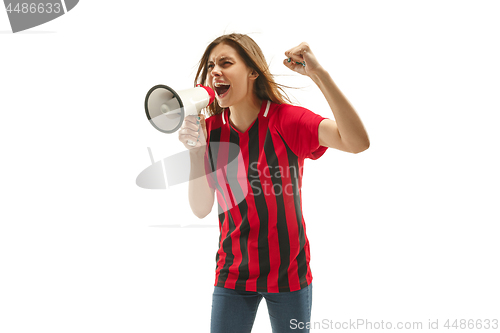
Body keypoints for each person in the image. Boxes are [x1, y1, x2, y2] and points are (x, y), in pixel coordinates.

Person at [178, 33, 369, 333]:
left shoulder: (287, 121)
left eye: (226, 63)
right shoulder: (211, 131)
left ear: (253, 71)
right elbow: (201, 208)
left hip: (288, 277)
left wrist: (319, 75)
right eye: (212, 65)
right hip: (232, 275)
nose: (215, 71)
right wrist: (196, 151)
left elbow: (357, 142)